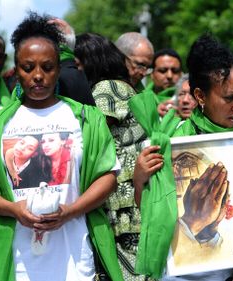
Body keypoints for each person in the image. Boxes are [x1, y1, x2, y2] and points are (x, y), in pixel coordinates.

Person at [0, 12, 123, 281]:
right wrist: (13, 210)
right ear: (16, 69)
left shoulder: (86, 118)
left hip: (74, 259)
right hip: (15, 261)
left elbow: (108, 177)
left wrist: (71, 211)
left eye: (47, 67)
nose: (38, 76)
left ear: (58, 68)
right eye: (28, 68)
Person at [132, 34, 233, 280]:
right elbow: (148, 210)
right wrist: (140, 179)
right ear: (200, 96)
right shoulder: (174, 141)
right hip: (183, 271)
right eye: (229, 98)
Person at [74, 32, 150, 281]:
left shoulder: (108, 88)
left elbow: (96, 136)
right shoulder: (124, 86)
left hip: (123, 195)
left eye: (76, 63)